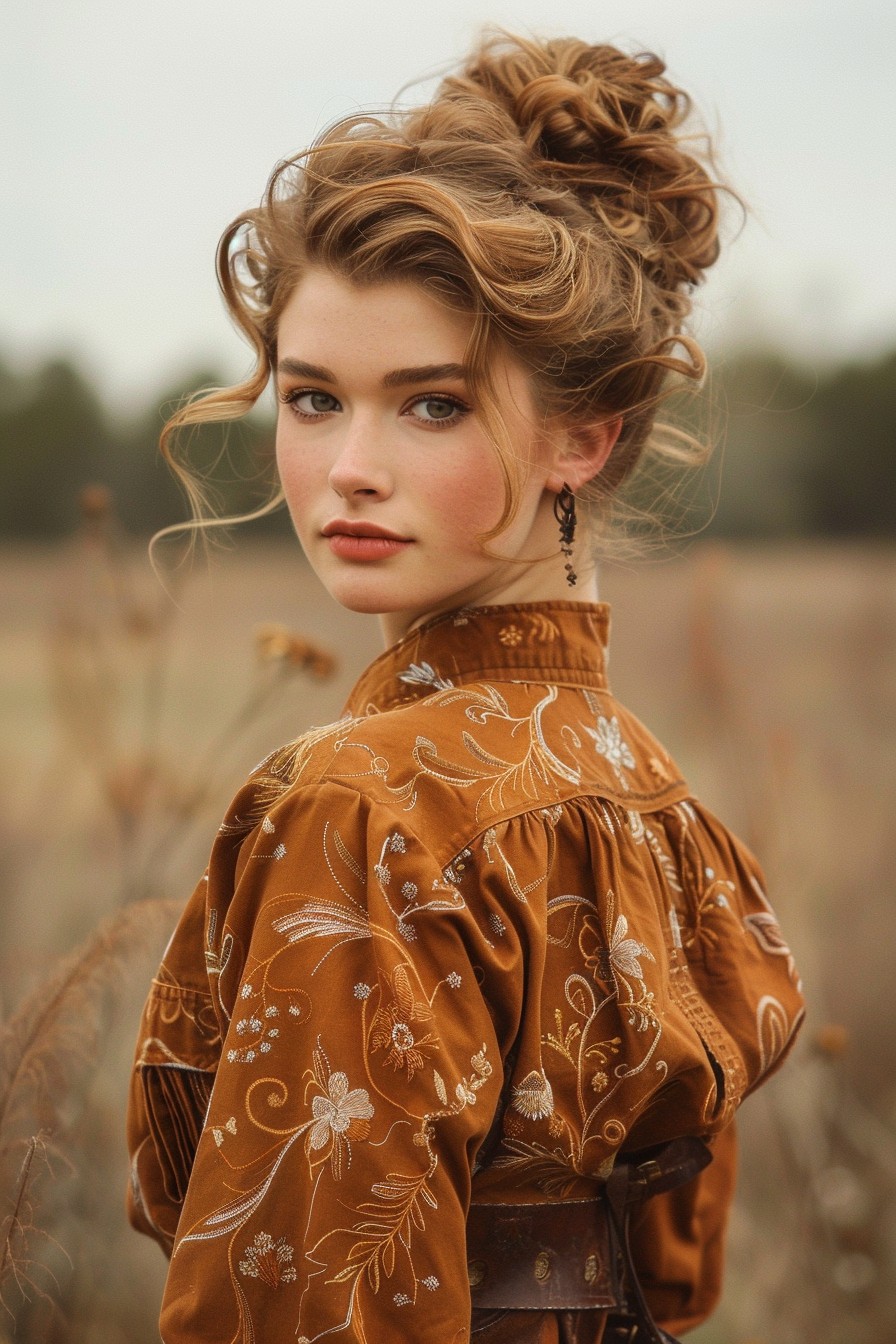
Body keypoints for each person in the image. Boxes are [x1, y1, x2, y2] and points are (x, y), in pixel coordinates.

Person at [126, 31, 805, 1344]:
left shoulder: (360, 809)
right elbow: (674, 1272)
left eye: (428, 406)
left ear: (582, 434)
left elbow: (303, 1307)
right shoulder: (647, 788)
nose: (348, 468)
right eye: (315, 398)